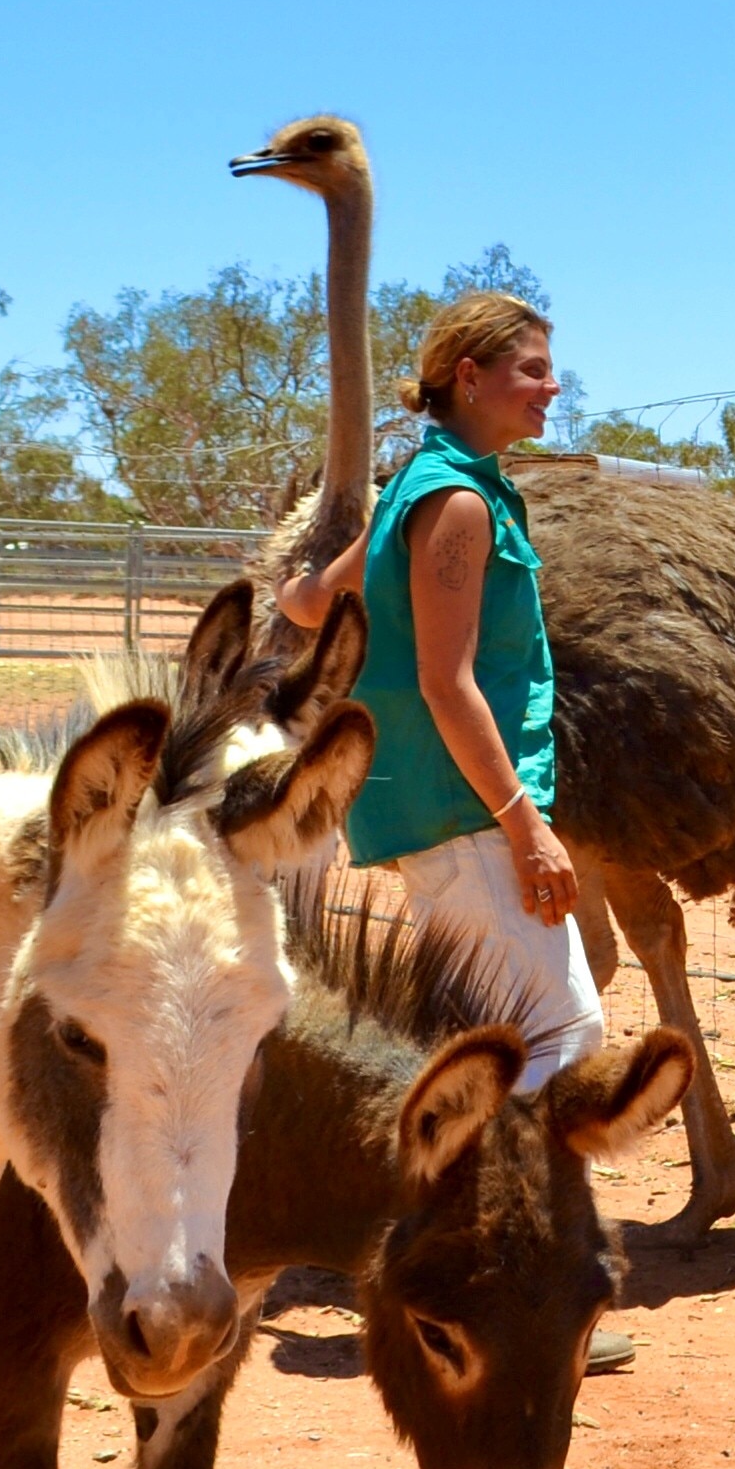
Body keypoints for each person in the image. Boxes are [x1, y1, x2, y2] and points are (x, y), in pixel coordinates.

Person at [292, 287, 609, 1099]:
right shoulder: (461, 503)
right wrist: (524, 826)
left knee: (487, 1042)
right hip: (473, 818)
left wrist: (286, 593)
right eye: (533, 371)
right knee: (558, 1044)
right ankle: (504, 1217)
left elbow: (318, 597)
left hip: (437, 816)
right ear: (470, 376)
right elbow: (446, 681)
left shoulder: (421, 484)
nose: (552, 387)